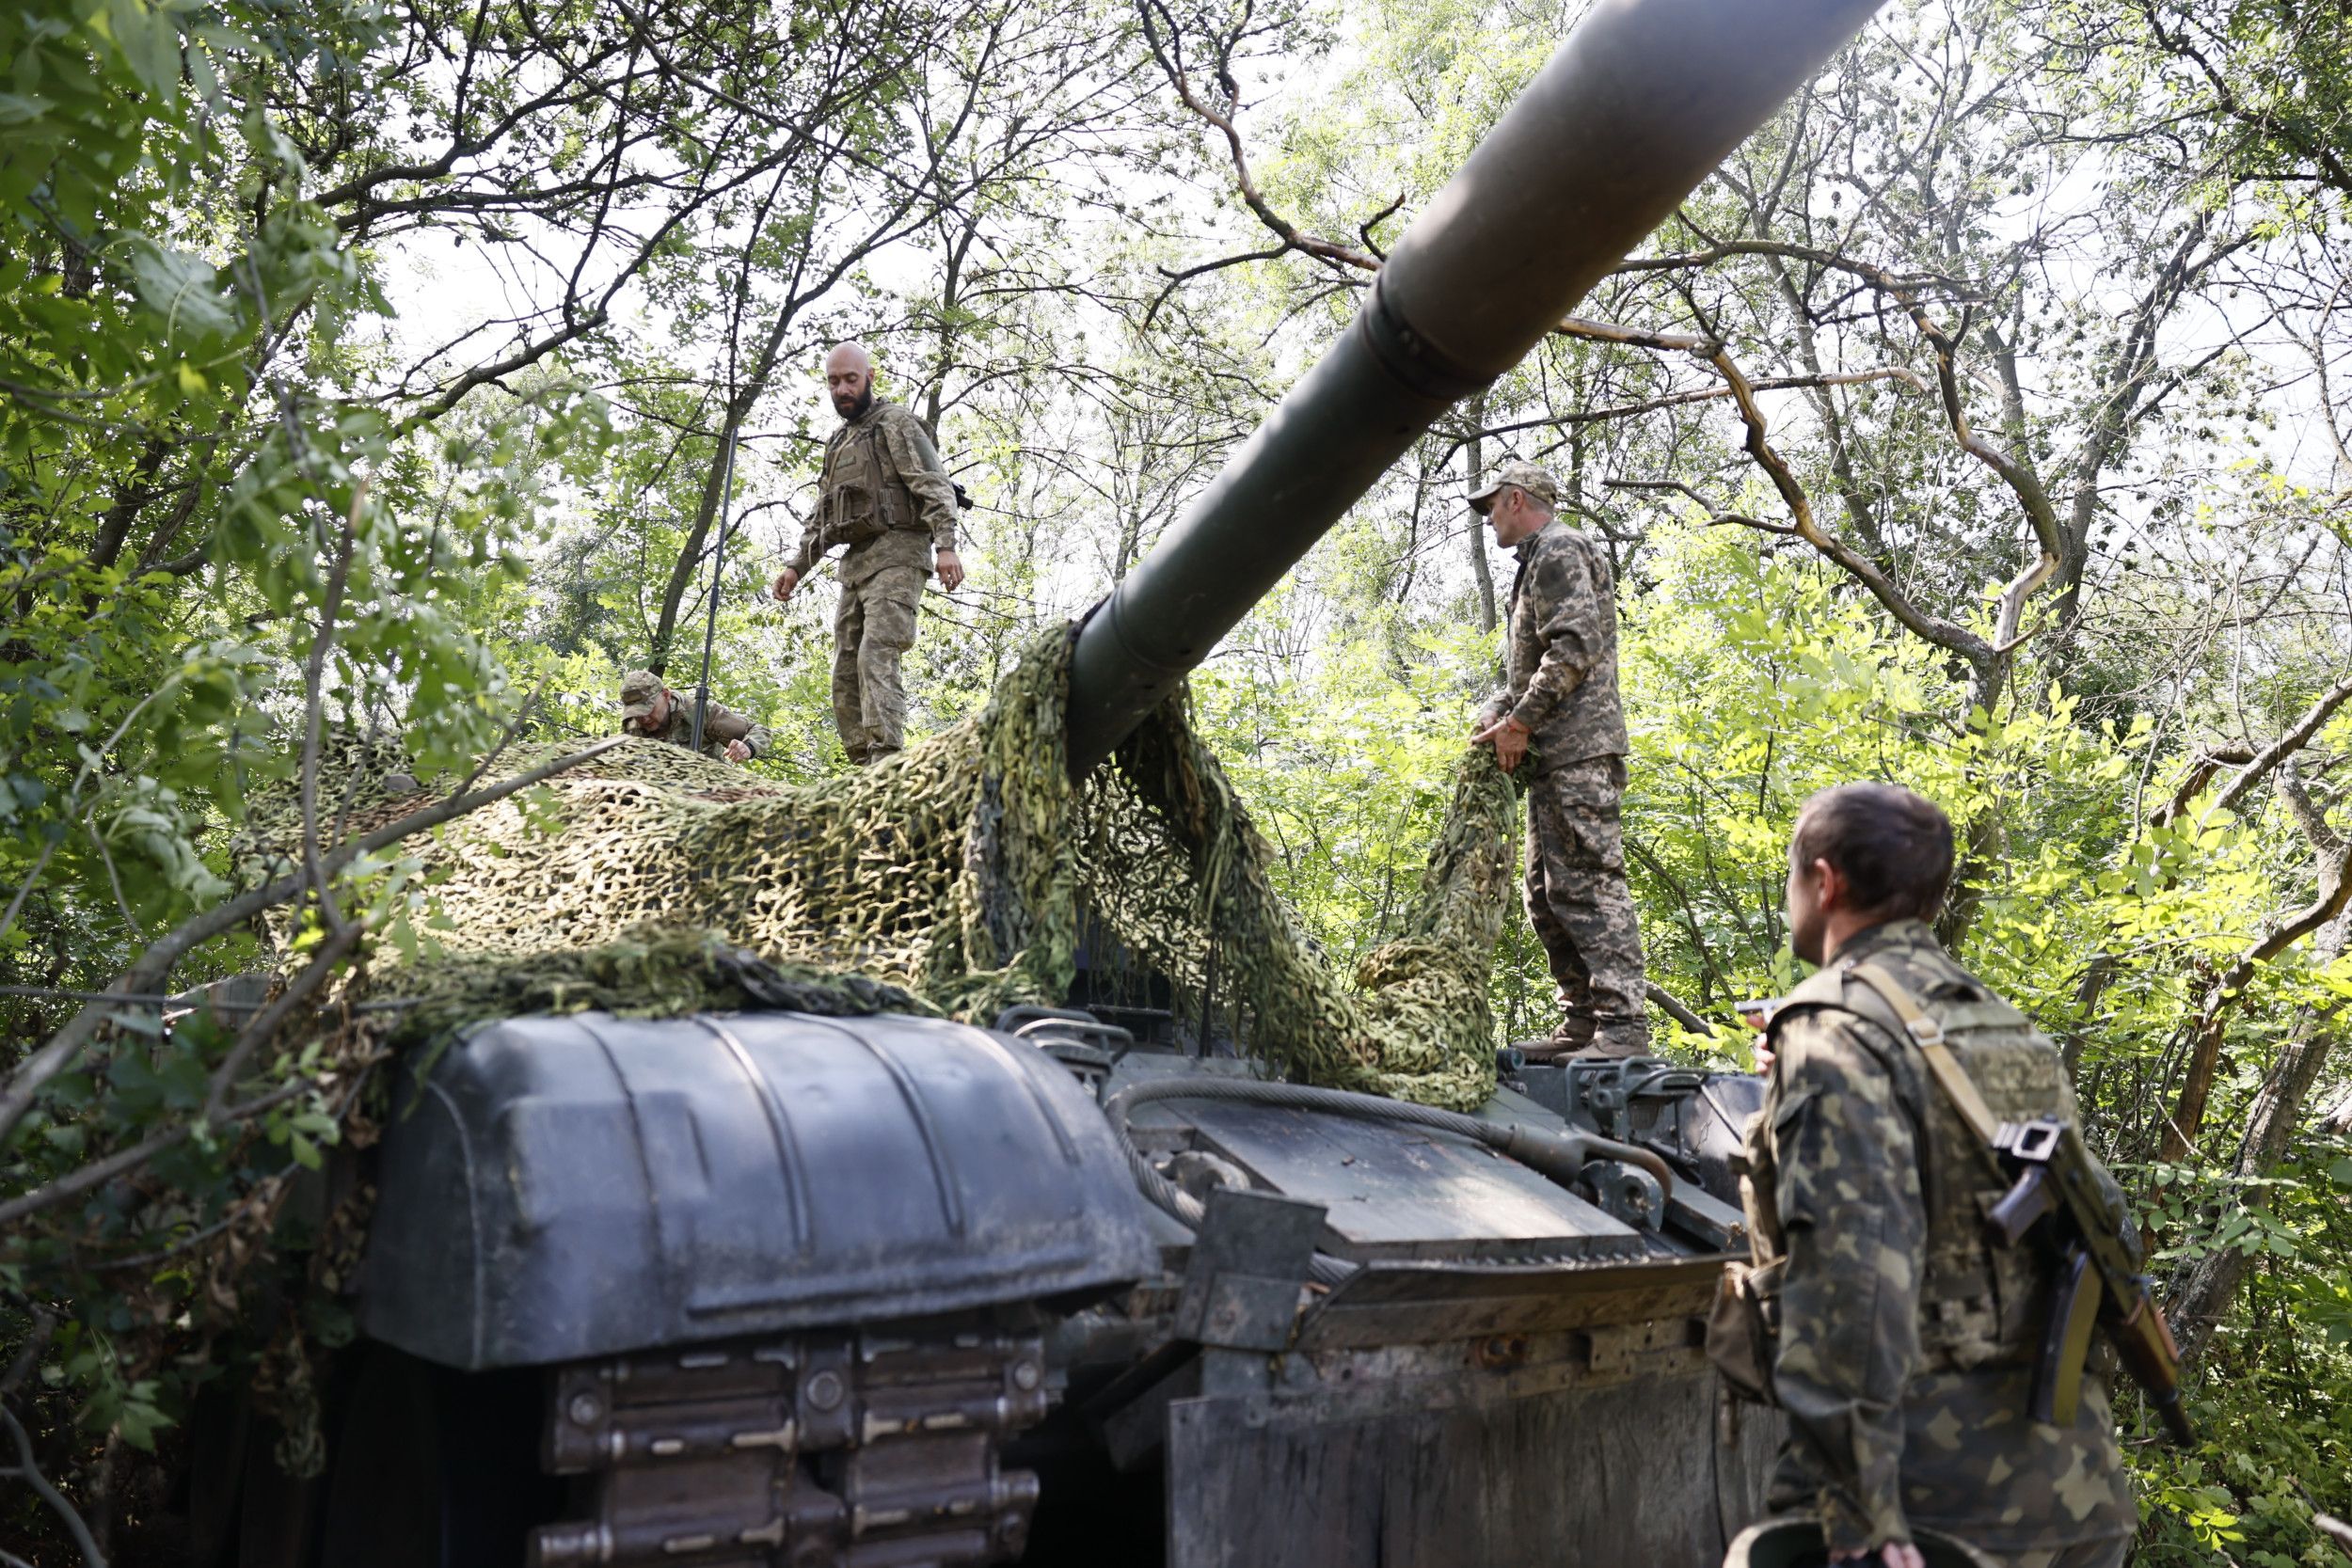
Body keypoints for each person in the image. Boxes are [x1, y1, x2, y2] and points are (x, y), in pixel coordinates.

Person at [1737, 783, 2137, 1568]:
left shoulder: (1832, 1033)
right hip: (2077, 1493)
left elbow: (1851, 1282)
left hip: (1932, 1512)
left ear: (1825, 882)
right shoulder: (2000, 1025)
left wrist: (1861, 1516)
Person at [1467, 460, 1647, 1057]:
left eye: (1491, 504)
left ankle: (1622, 1029)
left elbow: (1575, 648)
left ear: (1516, 499)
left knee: (1589, 884)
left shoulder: (1561, 548)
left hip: (1577, 751)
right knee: (1545, 892)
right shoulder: (1537, 560)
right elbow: (1531, 662)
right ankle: (1584, 1023)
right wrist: (1499, 709)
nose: (1487, 516)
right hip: (1552, 755)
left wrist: (1519, 723)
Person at [771, 342, 964, 766]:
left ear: (870, 377)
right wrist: (796, 567)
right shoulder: (838, 442)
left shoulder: (897, 424)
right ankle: (861, 767)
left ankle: (886, 761)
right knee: (844, 667)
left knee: (876, 651)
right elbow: (824, 512)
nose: (842, 389)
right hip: (856, 564)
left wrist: (946, 546)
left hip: (899, 554)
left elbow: (934, 485)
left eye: (850, 379)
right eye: (834, 381)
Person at [618, 669, 771, 763]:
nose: (643, 718)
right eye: (637, 713)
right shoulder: (633, 724)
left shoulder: (700, 712)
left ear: (666, 695)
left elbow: (759, 730)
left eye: (648, 709)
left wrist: (748, 746)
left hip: (709, 787)